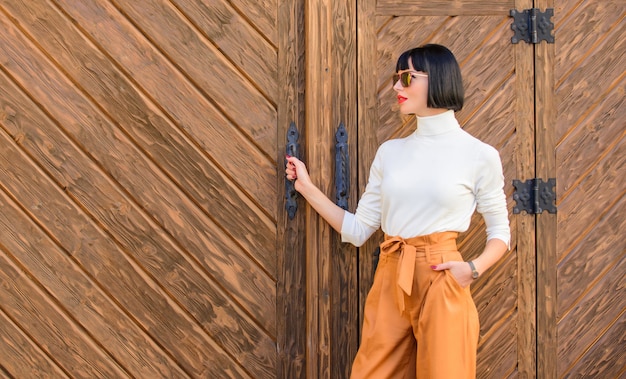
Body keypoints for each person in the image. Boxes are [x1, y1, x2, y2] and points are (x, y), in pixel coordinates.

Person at [285, 44, 510, 379]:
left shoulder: (479, 155)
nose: (396, 87)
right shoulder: (390, 152)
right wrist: (306, 187)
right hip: (391, 273)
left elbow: (500, 233)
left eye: (407, 77)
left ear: (438, 81)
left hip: (442, 274)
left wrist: (471, 269)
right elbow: (359, 230)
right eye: (396, 78)